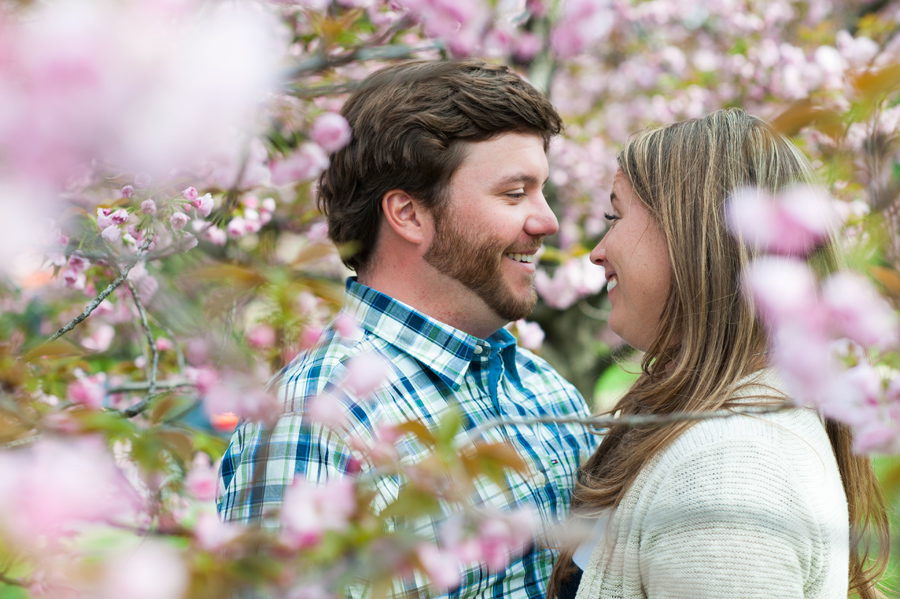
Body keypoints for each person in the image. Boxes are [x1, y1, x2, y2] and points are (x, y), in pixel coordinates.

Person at [217, 59, 596, 598]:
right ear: (409, 214)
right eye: (515, 194)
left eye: (541, 191)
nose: (547, 221)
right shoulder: (317, 420)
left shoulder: (547, 393)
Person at [548, 108, 890, 599]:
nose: (596, 251)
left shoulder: (729, 472)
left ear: (691, 233)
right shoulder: (714, 433)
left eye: (616, 215)